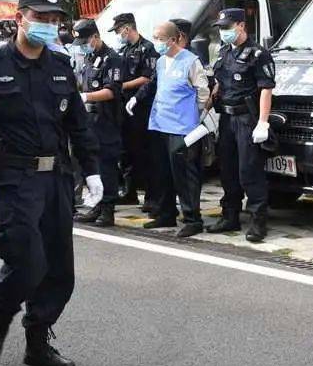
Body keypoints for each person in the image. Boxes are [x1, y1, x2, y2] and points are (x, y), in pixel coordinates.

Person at [0, 0, 101, 366]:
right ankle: (0, 320)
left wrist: (93, 171)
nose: (48, 25)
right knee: (26, 258)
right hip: (15, 177)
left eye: (53, 20)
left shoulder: (61, 68)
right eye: (40, 18)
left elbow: (79, 126)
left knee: (59, 268)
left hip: (57, 179)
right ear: (19, 18)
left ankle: (37, 341)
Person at [133, 22, 210, 238]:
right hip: (160, 123)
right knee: (162, 172)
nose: (156, 42)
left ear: (173, 40)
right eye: (155, 37)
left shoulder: (190, 61)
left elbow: (202, 93)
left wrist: (197, 116)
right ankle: (166, 212)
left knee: (185, 175)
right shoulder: (160, 62)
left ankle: (193, 218)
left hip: (183, 127)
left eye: (159, 38)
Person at [210, 8, 275, 242]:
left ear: (240, 25)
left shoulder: (258, 54)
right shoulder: (224, 52)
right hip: (226, 118)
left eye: (227, 27)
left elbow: (266, 89)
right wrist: (207, 106)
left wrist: (263, 122)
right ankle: (230, 216)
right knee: (227, 170)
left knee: (249, 171)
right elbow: (219, 83)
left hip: (247, 120)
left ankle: (258, 221)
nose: (223, 32)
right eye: (221, 28)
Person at [72, 19, 123, 228]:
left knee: (107, 166)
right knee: (92, 165)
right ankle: (97, 205)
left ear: (95, 36)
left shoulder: (112, 59)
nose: (83, 45)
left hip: (106, 120)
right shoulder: (88, 57)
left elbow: (112, 90)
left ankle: (108, 209)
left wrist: (85, 97)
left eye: (85, 41)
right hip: (89, 120)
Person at [111, 12, 159, 212]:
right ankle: (129, 193)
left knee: (144, 152)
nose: (117, 34)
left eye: (118, 30)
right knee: (127, 152)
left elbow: (148, 78)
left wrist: (123, 85)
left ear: (127, 28)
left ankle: (150, 196)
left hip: (141, 106)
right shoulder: (124, 49)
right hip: (124, 106)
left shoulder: (147, 49)